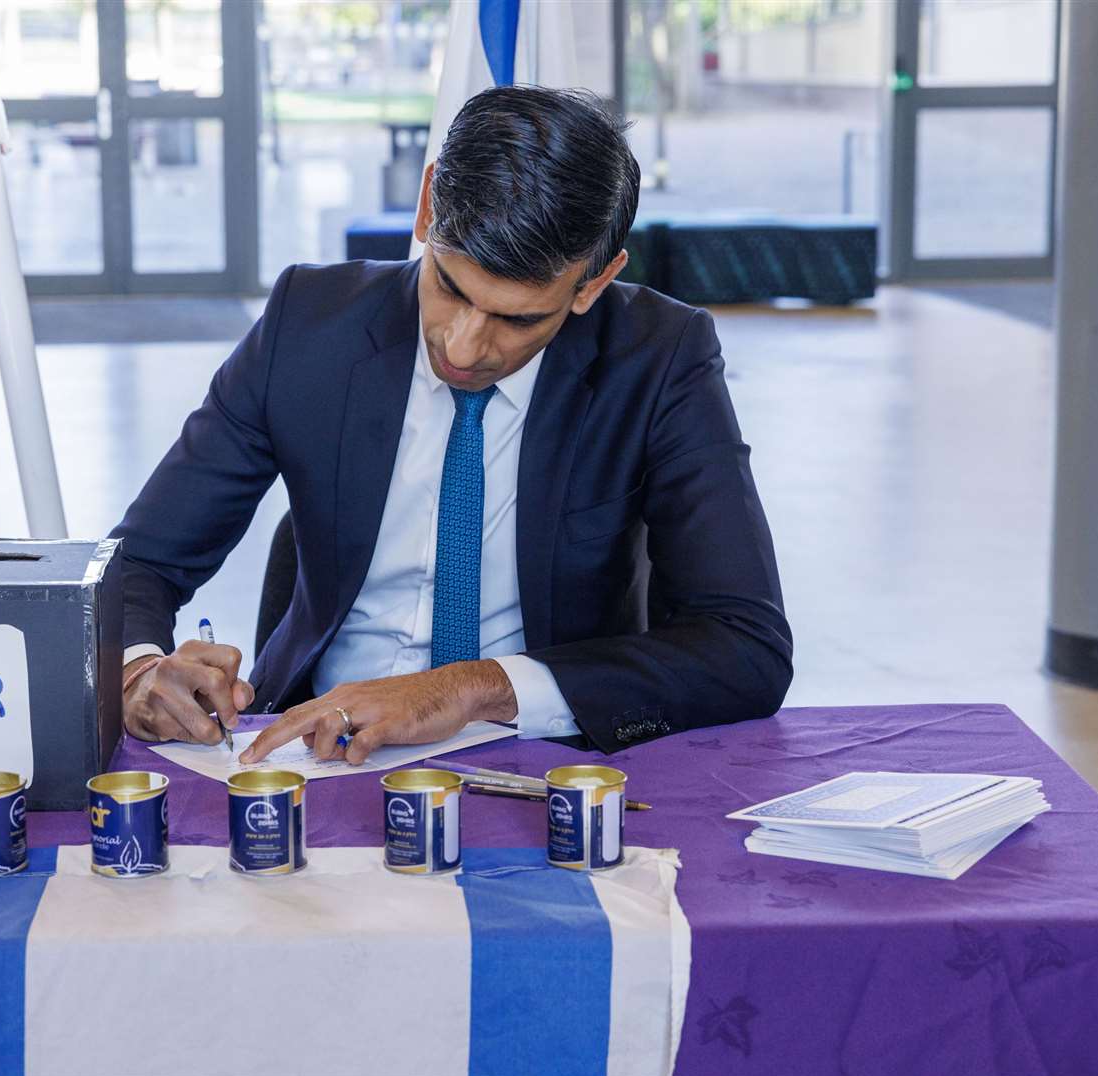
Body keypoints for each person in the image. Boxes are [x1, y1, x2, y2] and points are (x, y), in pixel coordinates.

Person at [109, 85, 792, 765]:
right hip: (313, 749)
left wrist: (473, 689)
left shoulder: (658, 356)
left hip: (544, 748)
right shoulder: (307, 324)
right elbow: (137, 562)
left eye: (519, 319)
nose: (462, 349)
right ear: (427, 203)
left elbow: (743, 645)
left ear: (593, 281)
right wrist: (141, 671)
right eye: (451, 289)